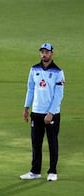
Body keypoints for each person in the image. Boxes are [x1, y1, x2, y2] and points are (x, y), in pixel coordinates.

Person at [21, 42, 65, 182]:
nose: (44, 54)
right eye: (42, 52)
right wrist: (26, 108)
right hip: (36, 112)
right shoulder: (34, 69)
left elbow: (59, 95)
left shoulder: (58, 72)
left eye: (47, 52)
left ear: (52, 53)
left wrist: (51, 113)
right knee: (36, 143)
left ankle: (52, 171)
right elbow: (31, 89)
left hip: (51, 114)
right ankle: (35, 171)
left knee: (52, 142)